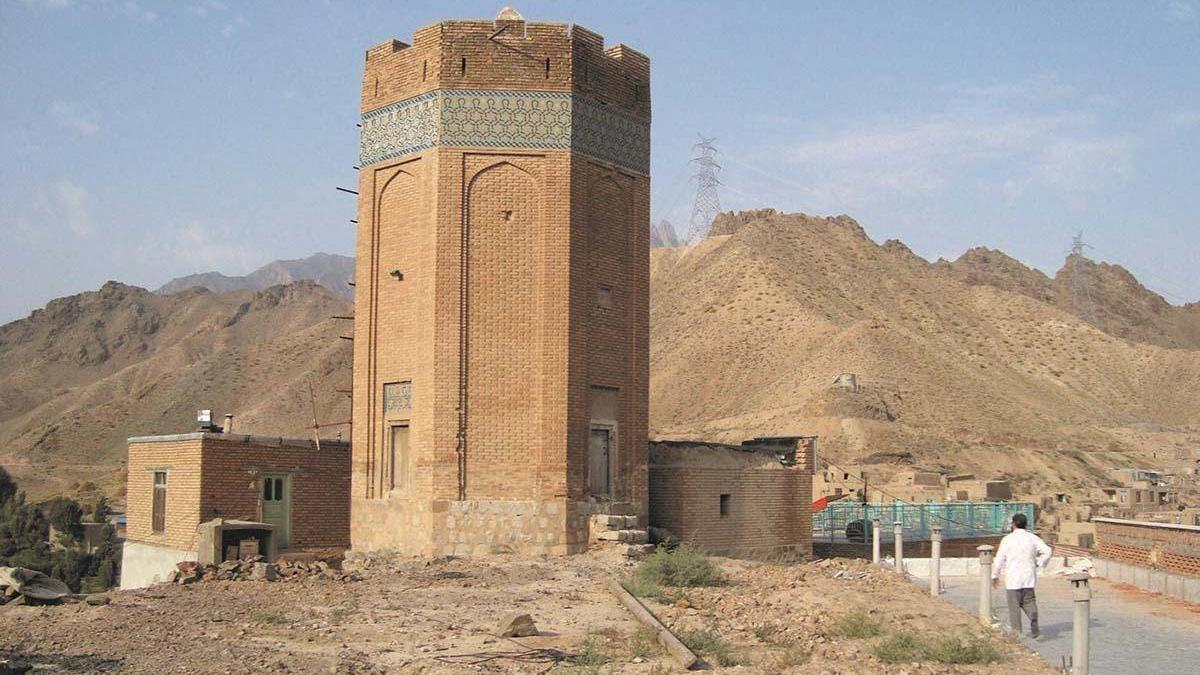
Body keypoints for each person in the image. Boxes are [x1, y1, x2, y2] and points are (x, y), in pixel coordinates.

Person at [991, 512, 1052, 638]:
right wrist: (1039, 562)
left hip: (1013, 579)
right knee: (1029, 601)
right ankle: (1033, 615)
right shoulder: (1032, 538)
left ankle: (1017, 633)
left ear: (1013, 524)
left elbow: (999, 559)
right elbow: (1047, 551)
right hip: (1029, 577)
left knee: (1014, 607)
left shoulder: (1007, 539)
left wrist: (995, 575)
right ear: (1025, 525)